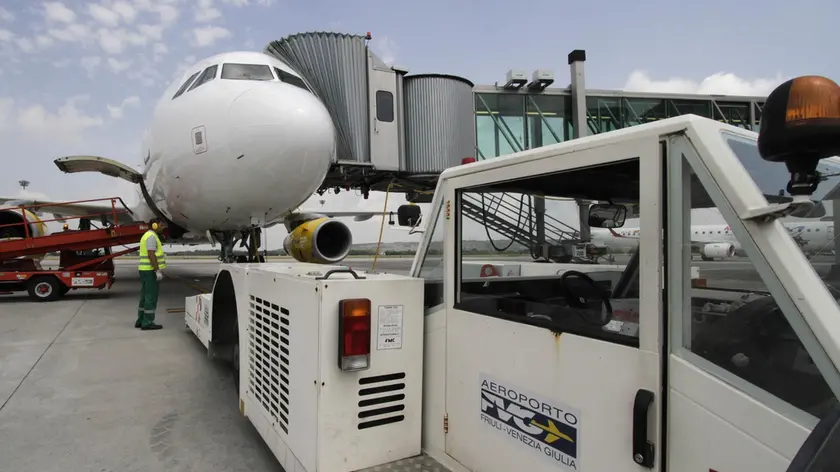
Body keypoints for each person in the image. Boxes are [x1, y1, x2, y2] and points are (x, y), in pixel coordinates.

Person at [136, 218, 167, 330]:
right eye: (161, 225)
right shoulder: (151, 237)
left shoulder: (147, 235)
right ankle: (148, 322)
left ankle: (140, 320)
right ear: (154, 225)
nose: (163, 227)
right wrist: (157, 270)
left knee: (144, 296)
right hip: (150, 271)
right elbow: (151, 254)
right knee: (151, 297)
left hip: (144, 270)